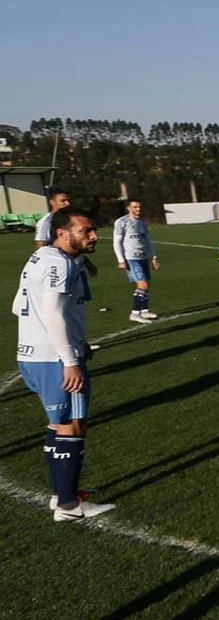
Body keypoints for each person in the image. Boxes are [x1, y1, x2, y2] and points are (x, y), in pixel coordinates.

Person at [13, 209, 117, 521]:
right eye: (86, 231)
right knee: (73, 425)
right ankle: (69, 506)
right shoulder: (59, 263)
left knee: (56, 423)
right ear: (62, 233)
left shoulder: (40, 257)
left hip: (31, 354)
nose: (94, 236)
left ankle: (61, 494)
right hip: (55, 358)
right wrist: (70, 358)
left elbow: (17, 306)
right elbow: (54, 313)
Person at [112, 199, 160, 323]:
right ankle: (135, 313)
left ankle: (144, 311)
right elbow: (117, 241)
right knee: (142, 284)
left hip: (143, 256)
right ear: (128, 208)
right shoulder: (122, 222)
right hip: (131, 258)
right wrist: (121, 260)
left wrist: (154, 256)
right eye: (135, 207)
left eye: (139, 207)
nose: (138, 209)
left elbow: (147, 240)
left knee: (146, 284)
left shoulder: (143, 222)